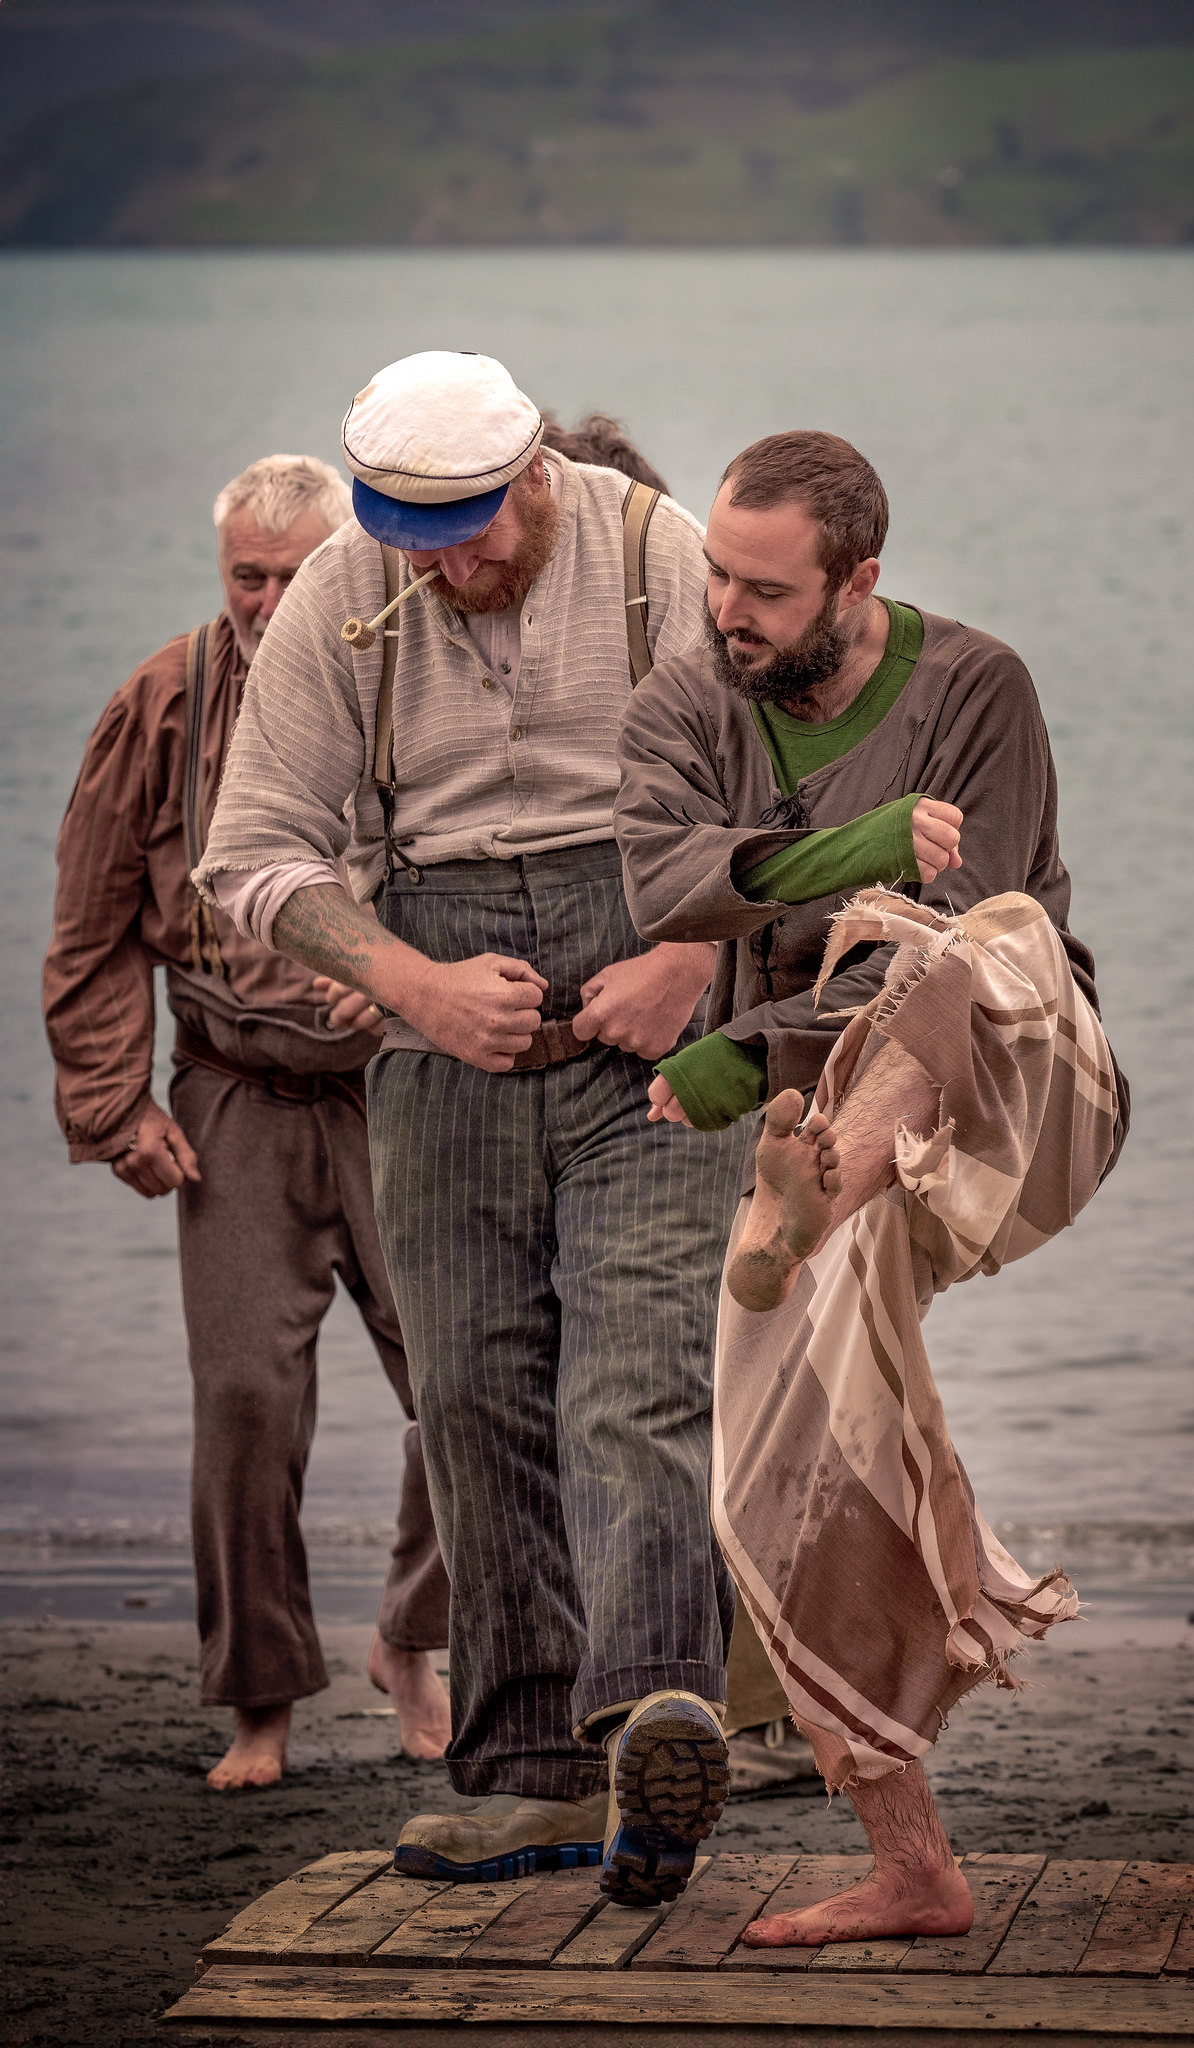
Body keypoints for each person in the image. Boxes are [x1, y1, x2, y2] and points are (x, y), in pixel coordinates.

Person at [195, 353, 744, 1905]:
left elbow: (768, 779)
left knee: (635, 1370)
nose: (447, 562)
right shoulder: (338, 596)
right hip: (439, 1000)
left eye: (473, 528)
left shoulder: (654, 553)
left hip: (651, 978)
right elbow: (250, 859)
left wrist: (693, 955)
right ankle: (525, 1779)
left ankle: (656, 1731)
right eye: (411, 531)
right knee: (474, 1390)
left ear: (538, 479)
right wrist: (408, 985)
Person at [614, 430, 1129, 1941]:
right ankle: (913, 1862)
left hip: (1017, 1089)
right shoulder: (685, 699)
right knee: (768, 1476)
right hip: (818, 1131)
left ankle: (817, 1185)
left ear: (861, 581)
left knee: (976, 937)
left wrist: (738, 1047)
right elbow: (666, 889)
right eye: (715, 572)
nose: (726, 608)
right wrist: (856, 841)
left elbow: (961, 915)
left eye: (764, 588)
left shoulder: (979, 687)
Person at [43, 456, 452, 1792]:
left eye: (295, 573)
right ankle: (260, 1708)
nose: (272, 601)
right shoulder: (161, 699)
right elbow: (95, 925)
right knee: (242, 1402)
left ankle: (418, 1637)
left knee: (472, 1382)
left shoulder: (423, 675)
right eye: (248, 576)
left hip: (406, 1087)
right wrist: (115, 1102)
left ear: (359, 564)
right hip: (234, 1098)